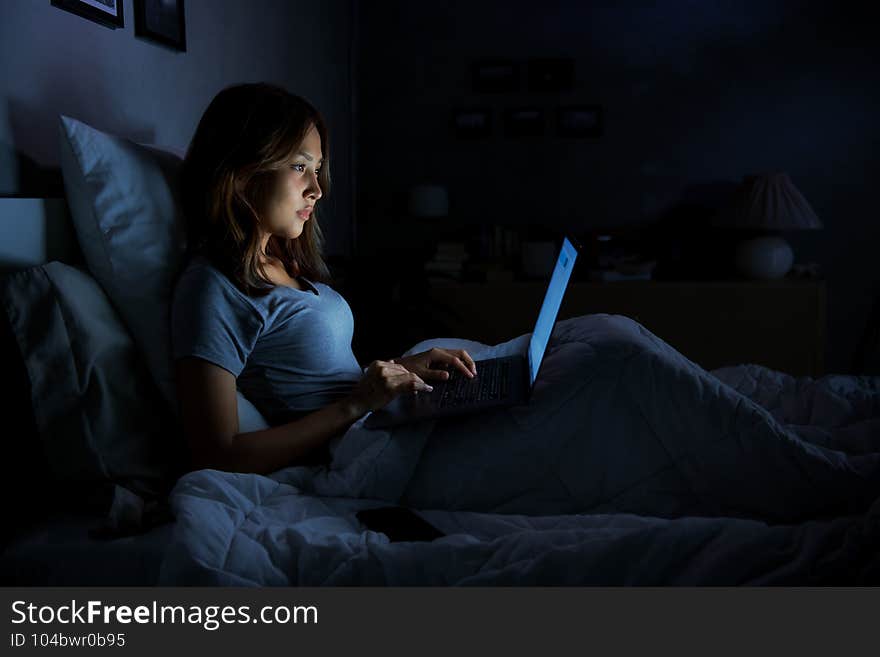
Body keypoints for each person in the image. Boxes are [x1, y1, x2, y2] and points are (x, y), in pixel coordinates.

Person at [172, 82, 477, 475]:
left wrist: (401, 369)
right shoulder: (212, 288)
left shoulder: (282, 262)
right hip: (361, 454)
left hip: (382, 422)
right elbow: (217, 453)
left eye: (316, 170)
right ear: (244, 172)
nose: (317, 189)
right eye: (300, 167)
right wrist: (357, 404)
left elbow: (323, 381)